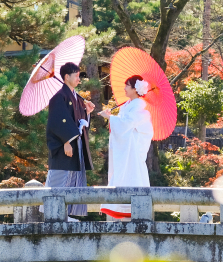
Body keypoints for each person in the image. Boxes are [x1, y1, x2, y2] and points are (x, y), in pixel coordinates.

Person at [98, 74, 154, 219]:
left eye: (127, 85)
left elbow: (126, 124)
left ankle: (132, 207)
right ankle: (119, 207)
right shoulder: (129, 106)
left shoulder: (138, 108)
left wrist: (110, 118)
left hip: (132, 150)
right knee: (122, 173)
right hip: (125, 149)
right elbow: (123, 124)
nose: (124, 88)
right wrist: (112, 117)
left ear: (135, 89)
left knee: (133, 175)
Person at [45, 62, 95, 218]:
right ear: (67, 77)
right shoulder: (59, 97)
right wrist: (66, 141)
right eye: (77, 76)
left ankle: (68, 215)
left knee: (73, 179)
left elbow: (80, 123)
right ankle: (54, 213)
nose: (79, 79)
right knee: (61, 178)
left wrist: (87, 113)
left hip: (76, 145)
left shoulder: (76, 98)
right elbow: (57, 121)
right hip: (65, 146)